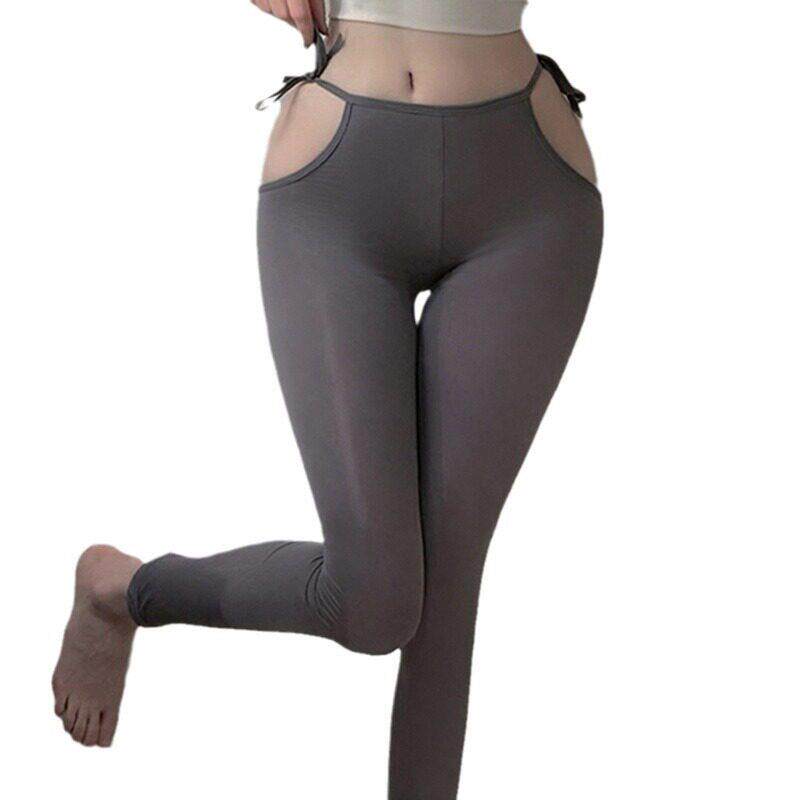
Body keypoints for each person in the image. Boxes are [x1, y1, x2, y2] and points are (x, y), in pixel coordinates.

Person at [52, 2, 603, 796]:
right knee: (376, 601)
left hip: (527, 195)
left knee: (446, 589)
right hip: (338, 191)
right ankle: (125, 590)